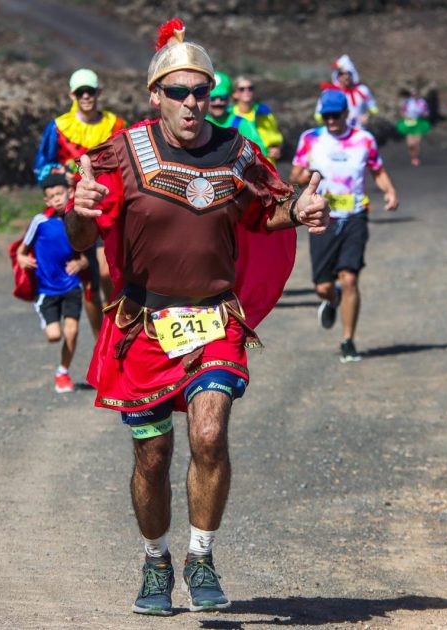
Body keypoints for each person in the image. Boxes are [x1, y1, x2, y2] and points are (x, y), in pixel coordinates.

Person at [66, 19, 329, 616]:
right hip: (144, 324)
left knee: (209, 434)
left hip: (215, 320)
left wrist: (300, 209)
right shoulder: (121, 153)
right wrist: (78, 214)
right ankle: (156, 561)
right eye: (178, 91)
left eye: (200, 91)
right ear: (154, 95)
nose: (191, 102)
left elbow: (266, 212)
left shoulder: (237, 151)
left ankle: (201, 555)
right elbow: (87, 229)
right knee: (152, 457)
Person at [292, 89, 398, 363]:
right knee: (322, 287)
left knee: (350, 278)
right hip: (322, 217)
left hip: (355, 215)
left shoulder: (364, 140)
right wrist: (310, 175)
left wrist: (389, 191)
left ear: (345, 114)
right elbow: (295, 175)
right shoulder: (311, 139)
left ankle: (348, 340)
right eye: (326, 116)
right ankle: (332, 297)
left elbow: (377, 169)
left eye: (335, 115)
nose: (330, 121)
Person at [34, 68, 126, 336]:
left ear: (99, 93)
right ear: (71, 95)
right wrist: (57, 174)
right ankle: (101, 344)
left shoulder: (116, 125)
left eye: (91, 91)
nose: (86, 96)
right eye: (80, 92)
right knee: (88, 283)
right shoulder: (58, 127)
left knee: (108, 275)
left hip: (109, 207)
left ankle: (116, 336)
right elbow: (42, 166)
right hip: (73, 212)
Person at [16, 173, 87, 393]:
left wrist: (81, 264)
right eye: (52, 196)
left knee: (72, 332)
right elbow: (21, 250)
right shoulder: (40, 222)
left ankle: (62, 372)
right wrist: (21, 259)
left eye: (60, 194)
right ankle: (44, 315)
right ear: (46, 201)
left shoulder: (76, 221)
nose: (57, 199)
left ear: (70, 193)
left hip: (71, 286)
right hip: (47, 290)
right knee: (54, 336)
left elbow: (84, 256)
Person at [205, 71, 265, 152]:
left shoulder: (242, 123)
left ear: (229, 98)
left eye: (223, 98)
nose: (218, 102)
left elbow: (260, 152)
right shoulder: (200, 124)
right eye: (213, 98)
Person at [316, 54, 378, 130]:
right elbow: (319, 115)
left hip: (358, 133)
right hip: (336, 135)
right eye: (342, 74)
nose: (346, 77)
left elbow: (373, 107)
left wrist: (367, 116)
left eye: (348, 73)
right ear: (337, 76)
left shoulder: (362, 90)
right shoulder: (329, 93)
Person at [230, 75, 283, 161]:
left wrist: (277, 149)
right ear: (235, 94)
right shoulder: (230, 116)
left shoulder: (264, 112)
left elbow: (275, 137)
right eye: (242, 89)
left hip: (266, 165)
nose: (247, 91)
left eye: (250, 88)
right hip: (241, 166)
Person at [396, 87, 432, 166]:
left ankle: (415, 158)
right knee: (410, 144)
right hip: (409, 123)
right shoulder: (407, 102)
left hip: (419, 123)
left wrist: (424, 115)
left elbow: (426, 112)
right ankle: (412, 156)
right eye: (413, 94)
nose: (414, 95)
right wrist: (405, 116)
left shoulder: (422, 102)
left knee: (417, 142)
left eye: (416, 94)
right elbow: (402, 111)